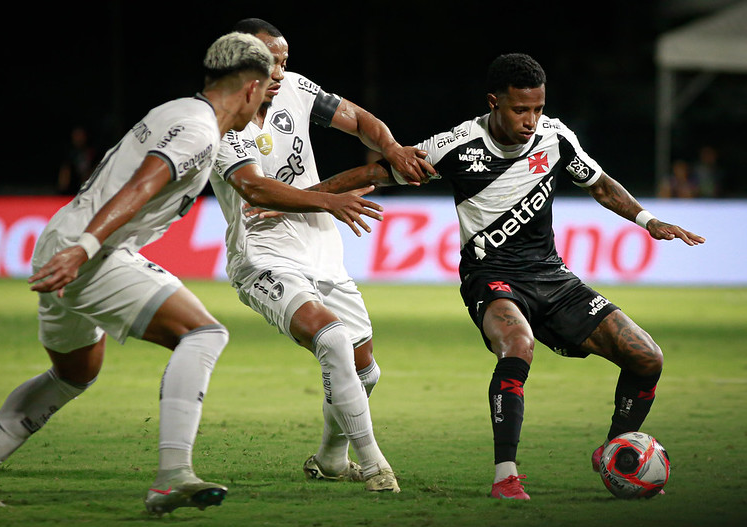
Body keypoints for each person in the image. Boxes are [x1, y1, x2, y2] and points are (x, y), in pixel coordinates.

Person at [0, 32, 383, 514]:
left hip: (62, 240)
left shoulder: (180, 113)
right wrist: (86, 248)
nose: (265, 103)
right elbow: (144, 183)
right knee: (203, 334)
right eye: (263, 91)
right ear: (248, 89)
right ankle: (172, 475)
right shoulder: (200, 129)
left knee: (73, 373)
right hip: (90, 249)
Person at [298, 53, 705, 499]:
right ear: (494, 103)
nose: (531, 120)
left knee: (648, 357)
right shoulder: (457, 145)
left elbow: (602, 185)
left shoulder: (556, 139)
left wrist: (649, 221)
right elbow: (379, 171)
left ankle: (613, 450)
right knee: (517, 345)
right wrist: (300, 197)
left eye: (538, 109)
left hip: (552, 277)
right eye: (520, 110)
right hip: (489, 277)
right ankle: (505, 476)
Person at [211, 18, 435, 493]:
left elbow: (356, 119)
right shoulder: (219, 120)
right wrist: (331, 199)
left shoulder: (294, 88)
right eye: (269, 63)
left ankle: (332, 457)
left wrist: (391, 149)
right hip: (263, 256)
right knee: (331, 341)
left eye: (284, 62)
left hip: (320, 250)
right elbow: (256, 189)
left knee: (365, 369)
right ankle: (375, 466)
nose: (280, 72)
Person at [57, 126, 98, 195]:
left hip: (90, 188)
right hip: (72, 189)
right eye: (76, 135)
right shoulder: (68, 154)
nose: (78, 139)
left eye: (80, 135)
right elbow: (64, 176)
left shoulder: (93, 153)